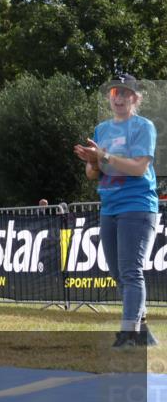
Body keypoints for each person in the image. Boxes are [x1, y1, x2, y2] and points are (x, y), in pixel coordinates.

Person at [73, 73, 158, 348]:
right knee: (118, 273)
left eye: (125, 93)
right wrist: (93, 160)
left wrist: (104, 156)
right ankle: (142, 330)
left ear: (135, 98)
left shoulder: (143, 127)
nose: (119, 98)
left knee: (131, 271)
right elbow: (91, 174)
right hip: (109, 206)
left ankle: (129, 333)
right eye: (114, 93)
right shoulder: (101, 129)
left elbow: (139, 168)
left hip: (138, 205)